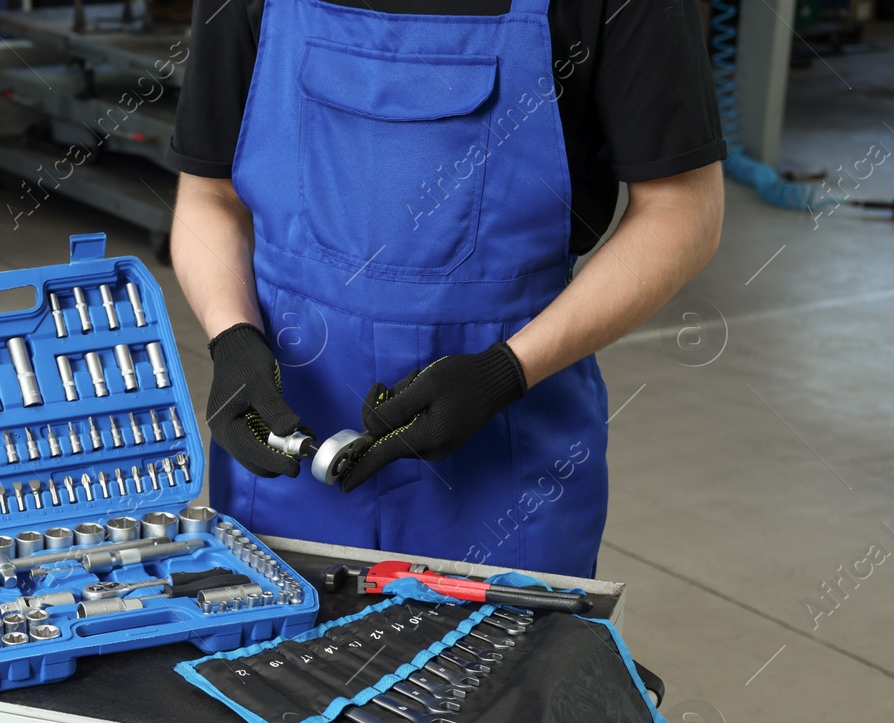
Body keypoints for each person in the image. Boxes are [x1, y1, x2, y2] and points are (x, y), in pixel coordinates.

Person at [168, 0, 726, 578]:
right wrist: (231, 337)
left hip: (502, 454)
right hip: (285, 444)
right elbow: (210, 196)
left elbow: (683, 210)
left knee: (510, 666)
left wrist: (505, 371)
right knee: (273, 664)